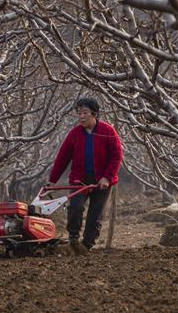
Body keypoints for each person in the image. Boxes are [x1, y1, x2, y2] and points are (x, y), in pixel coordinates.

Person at [48, 97, 123, 255]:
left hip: (102, 180)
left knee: (95, 215)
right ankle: (73, 239)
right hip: (80, 178)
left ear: (94, 114)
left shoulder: (108, 131)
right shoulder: (74, 134)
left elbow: (116, 156)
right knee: (75, 207)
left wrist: (107, 177)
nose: (81, 116)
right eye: (79, 113)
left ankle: (86, 245)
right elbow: (63, 158)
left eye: (85, 113)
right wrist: (52, 180)